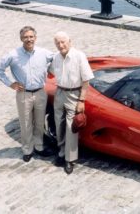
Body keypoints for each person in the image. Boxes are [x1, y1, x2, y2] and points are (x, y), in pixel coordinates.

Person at [0, 26, 54, 162]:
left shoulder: (44, 53)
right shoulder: (13, 54)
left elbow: (57, 59)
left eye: (31, 36)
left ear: (35, 38)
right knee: (25, 123)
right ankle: (27, 149)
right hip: (23, 94)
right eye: (26, 37)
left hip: (40, 92)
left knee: (39, 122)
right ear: (21, 38)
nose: (29, 39)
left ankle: (39, 147)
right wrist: (10, 83)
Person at [50, 31, 94, 174]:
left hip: (74, 94)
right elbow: (50, 72)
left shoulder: (79, 56)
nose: (60, 45)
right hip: (60, 92)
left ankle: (70, 159)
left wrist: (81, 100)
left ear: (70, 41)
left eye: (63, 42)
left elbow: (86, 80)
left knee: (71, 128)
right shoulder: (55, 57)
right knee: (59, 125)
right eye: (58, 43)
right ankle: (62, 153)